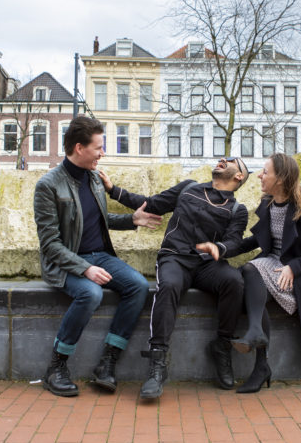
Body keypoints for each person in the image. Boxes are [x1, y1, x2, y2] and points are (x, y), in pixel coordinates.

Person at [99, 157, 250, 399]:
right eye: (223, 158)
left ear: (239, 176)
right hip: (175, 258)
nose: (223, 159)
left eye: (231, 160)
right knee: (168, 285)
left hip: (206, 265)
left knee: (233, 280)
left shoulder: (237, 210)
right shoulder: (189, 188)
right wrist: (113, 191)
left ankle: (222, 347)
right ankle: (157, 365)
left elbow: (234, 241)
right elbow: (152, 204)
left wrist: (218, 247)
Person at [33, 116, 162, 397]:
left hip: (99, 256)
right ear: (79, 148)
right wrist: (84, 269)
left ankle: (107, 362)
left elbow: (97, 219)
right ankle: (56, 366)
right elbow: (50, 244)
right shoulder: (48, 186)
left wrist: (133, 220)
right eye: (98, 147)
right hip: (66, 262)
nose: (102, 153)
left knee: (138, 286)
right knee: (91, 294)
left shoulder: (93, 179)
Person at [227, 153, 301, 393]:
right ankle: (261, 364)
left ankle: (258, 346)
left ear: (280, 178)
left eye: (265, 172)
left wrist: (294, 267)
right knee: (246, 283)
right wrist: (220, 249)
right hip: (273, 264)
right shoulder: (268, 203)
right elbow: (255, 241)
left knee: (249, 270)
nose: (259, 175)